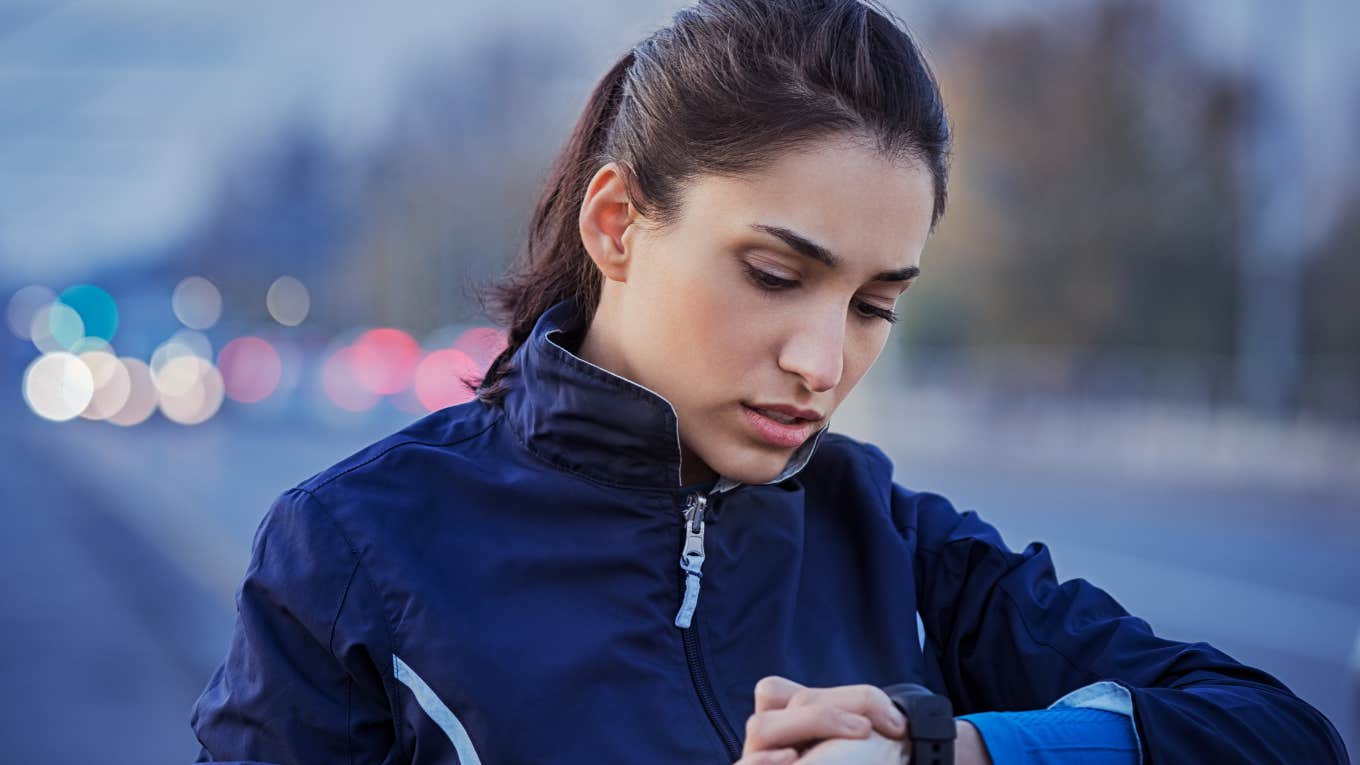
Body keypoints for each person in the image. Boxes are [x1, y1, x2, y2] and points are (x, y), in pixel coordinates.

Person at [189, 0, 1350, 763]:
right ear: (617, 223)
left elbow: (1280, 733)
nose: (823, 360)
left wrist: (953, 748)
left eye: (874, 303)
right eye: (773, 273)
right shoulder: (356, 550)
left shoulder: (903, 554)